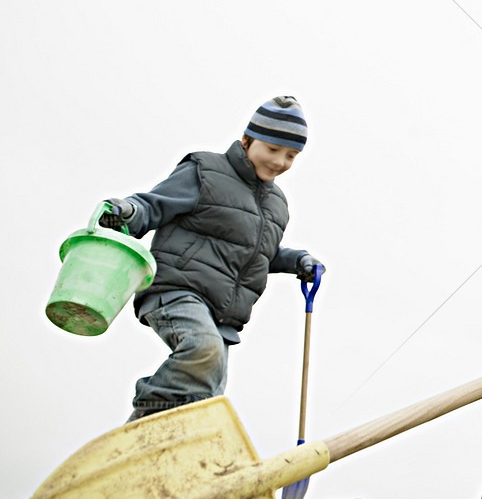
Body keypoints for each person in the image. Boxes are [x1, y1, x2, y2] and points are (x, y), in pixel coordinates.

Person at [100, 96, 325, 422]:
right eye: (272, 149)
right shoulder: (206, 171)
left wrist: (297, 260)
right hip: (177, 291)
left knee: (206, 394)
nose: (280, 161)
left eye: (291, 155)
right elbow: (154, 205)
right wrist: (128, 212)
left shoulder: (277, 204)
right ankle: (147, 416)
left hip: (222, 315)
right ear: (247, 139)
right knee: (202, 350)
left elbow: (259, 252)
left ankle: (168, 448)